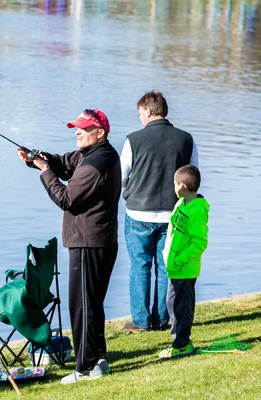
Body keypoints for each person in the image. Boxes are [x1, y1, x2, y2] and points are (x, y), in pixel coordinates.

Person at [17, 109, 121, 384]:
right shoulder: (94, 154)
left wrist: (45, 172)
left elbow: (66, 198)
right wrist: (36, 158)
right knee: (92, 303)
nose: (77, 131)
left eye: (83, 128)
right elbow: (64, 163)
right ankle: (97, 359)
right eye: (76, 127)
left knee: (81, 305)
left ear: (99, 132)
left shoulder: (96, 163)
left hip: (88, 243)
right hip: (97, 240)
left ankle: (85, 367)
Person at [121, 91, 199, 332]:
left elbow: (122, 177)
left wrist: (128, 192)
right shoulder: (186, 139)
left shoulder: (133, 139)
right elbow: (193, 176)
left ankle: (141, 321)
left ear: (148, 111)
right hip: (172, 215)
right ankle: (163, 319)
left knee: (140, 265)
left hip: (138, 214)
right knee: (166, 267)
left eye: (140, 113)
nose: (140, 118)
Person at [159, 165, 209, 358]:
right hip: (174, 268)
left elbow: (199, 242)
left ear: (181, 186)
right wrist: (167, 255)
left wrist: (180, 260)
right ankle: (177, 341)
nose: (173, 186)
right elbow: (173, 232)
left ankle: (183, 344)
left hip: (185, 268)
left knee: (182, 307)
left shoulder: (197, 211)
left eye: (174, 183)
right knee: (171, 303)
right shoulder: (181, 204)